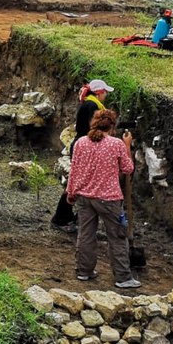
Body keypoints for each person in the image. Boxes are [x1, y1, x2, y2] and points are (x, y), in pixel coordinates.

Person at [67, 109, 138, 289]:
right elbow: (128, 169)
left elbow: (74, 169)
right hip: (108, 199)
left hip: (84, 197)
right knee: (117, 236)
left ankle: (84, 271)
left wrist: (71, 192)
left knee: (86, 235)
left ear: (94, 123)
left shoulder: (81, 143)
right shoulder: (116, 144)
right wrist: (127, 145)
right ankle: (123, 277)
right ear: (112, 126)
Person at [51, 79, 113, 232]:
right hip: (84, 148)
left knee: (78, 184)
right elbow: (94, 128)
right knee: (76, 185)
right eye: (105, 92)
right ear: (99, 92)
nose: (106, 95)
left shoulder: (89, 104)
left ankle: (69, 217)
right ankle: (60, 218)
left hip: (82, 147)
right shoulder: (92, 106)